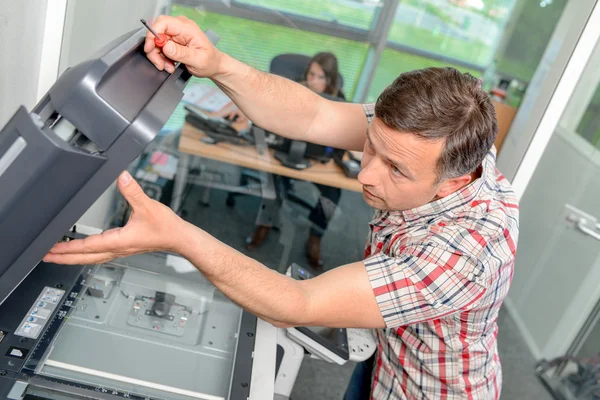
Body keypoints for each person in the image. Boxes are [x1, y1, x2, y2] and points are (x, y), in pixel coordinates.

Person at [44, 15, 519, 400]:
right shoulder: (450, 132)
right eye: (371, 147)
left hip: (427, 389)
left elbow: (300, 304)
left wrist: (177, 234)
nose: (365, 174)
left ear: (453, 182)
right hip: (386, 354)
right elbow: (315, 114)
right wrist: (217, 63)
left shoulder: (466, 255)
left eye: (395, 170)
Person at [242, 51, 345, 269]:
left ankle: (315, 236)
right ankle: (264, 225)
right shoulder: (294, 91)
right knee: (273, 183)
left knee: (333, 192)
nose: (313, 81)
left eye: (320, 77)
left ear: (330, 79)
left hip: (317, 162)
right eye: (311, 74)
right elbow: (268, 114)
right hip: (283, 152)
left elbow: (340, 138)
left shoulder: (339, 101)